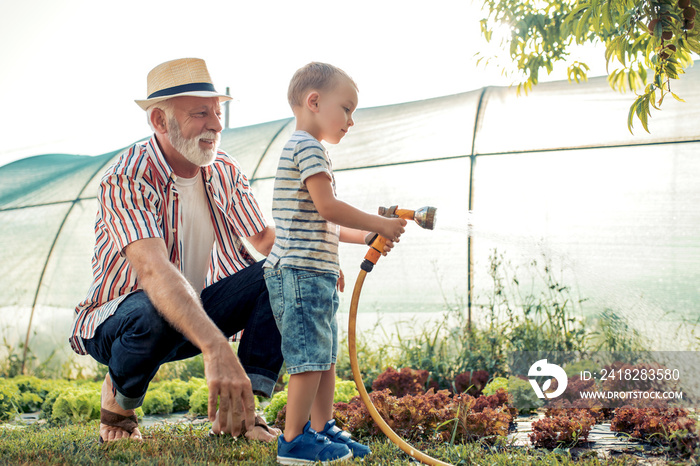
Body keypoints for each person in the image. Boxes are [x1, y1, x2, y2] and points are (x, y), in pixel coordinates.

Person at [69, 58, 283, 444]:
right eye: (200, 113)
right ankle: (119, 407)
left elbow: (266, 242)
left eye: (218, 112)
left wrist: (313, 254)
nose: (216, 125)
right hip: (122, 321)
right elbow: (153, 272)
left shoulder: (224, 170)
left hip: (194, 311)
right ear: (159, 121)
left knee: (284, 270)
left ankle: (240, 412)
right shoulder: (127, 175)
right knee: (152, 309)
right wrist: (216, 346)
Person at [263, 62, 407, 464]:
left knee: (324, 357)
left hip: (313, 272)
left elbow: (321, 220)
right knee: (310, 359)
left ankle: (321, 430)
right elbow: (328, 207)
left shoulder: (311, 148)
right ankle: (293, 442)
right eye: (346, 109)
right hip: (298, 272)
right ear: (314, 101)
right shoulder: (306, 146)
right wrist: (379, 222)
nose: (351, 121)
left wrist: (365, 236)